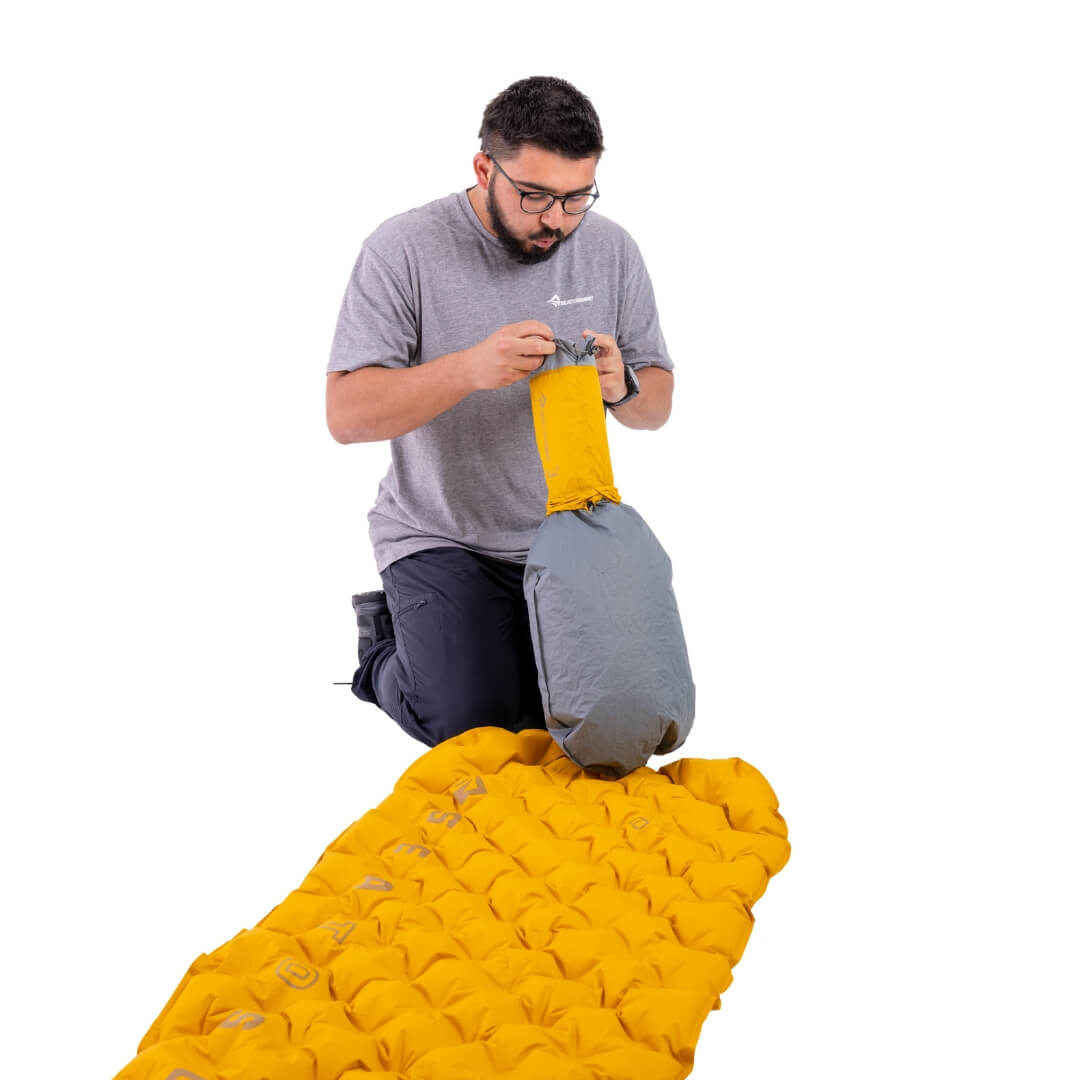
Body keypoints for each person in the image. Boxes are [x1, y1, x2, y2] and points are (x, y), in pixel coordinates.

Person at [325, 75, 675, 748]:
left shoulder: (612, 250)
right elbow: (345, 415)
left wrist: (622, 385)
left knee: (617, 724)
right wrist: (467, 370)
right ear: (485, 168)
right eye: (535, 196)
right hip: (442, 536)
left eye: (577, 198)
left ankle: (491, 650)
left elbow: (655, 406)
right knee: (476, 726)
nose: (556, 220)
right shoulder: (402, 248)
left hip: (573, 537)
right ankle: (383, 652)